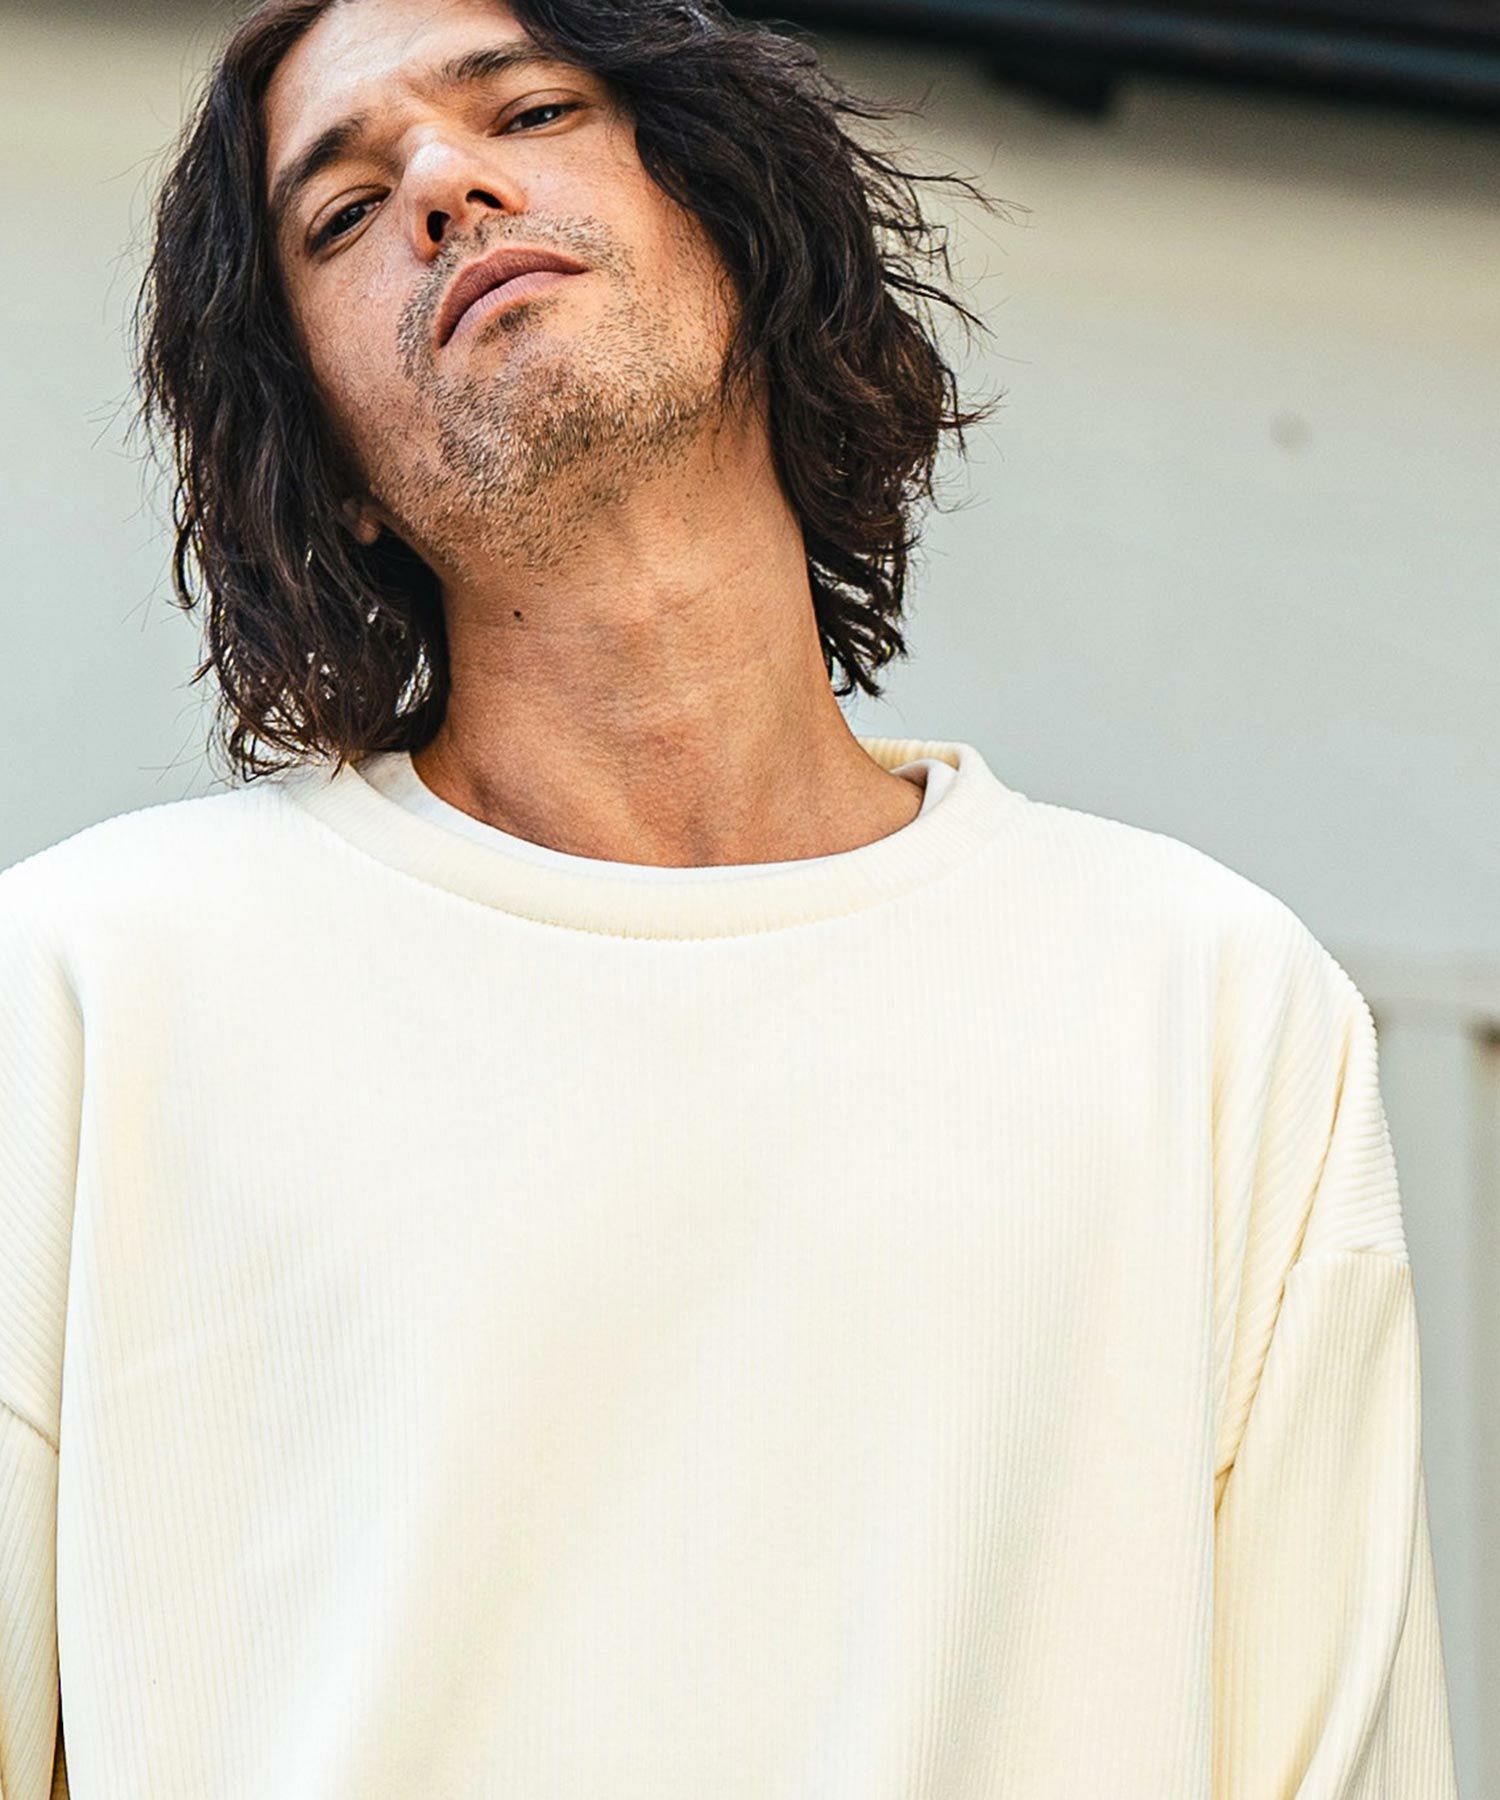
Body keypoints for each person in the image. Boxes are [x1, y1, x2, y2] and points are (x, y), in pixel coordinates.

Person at [0, 0, 1459, 1794]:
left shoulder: (1210, 1005)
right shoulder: (87, 989)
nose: (444, 182)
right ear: (332, 464)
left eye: (531, 111)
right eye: (345, 211)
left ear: (740, 226)